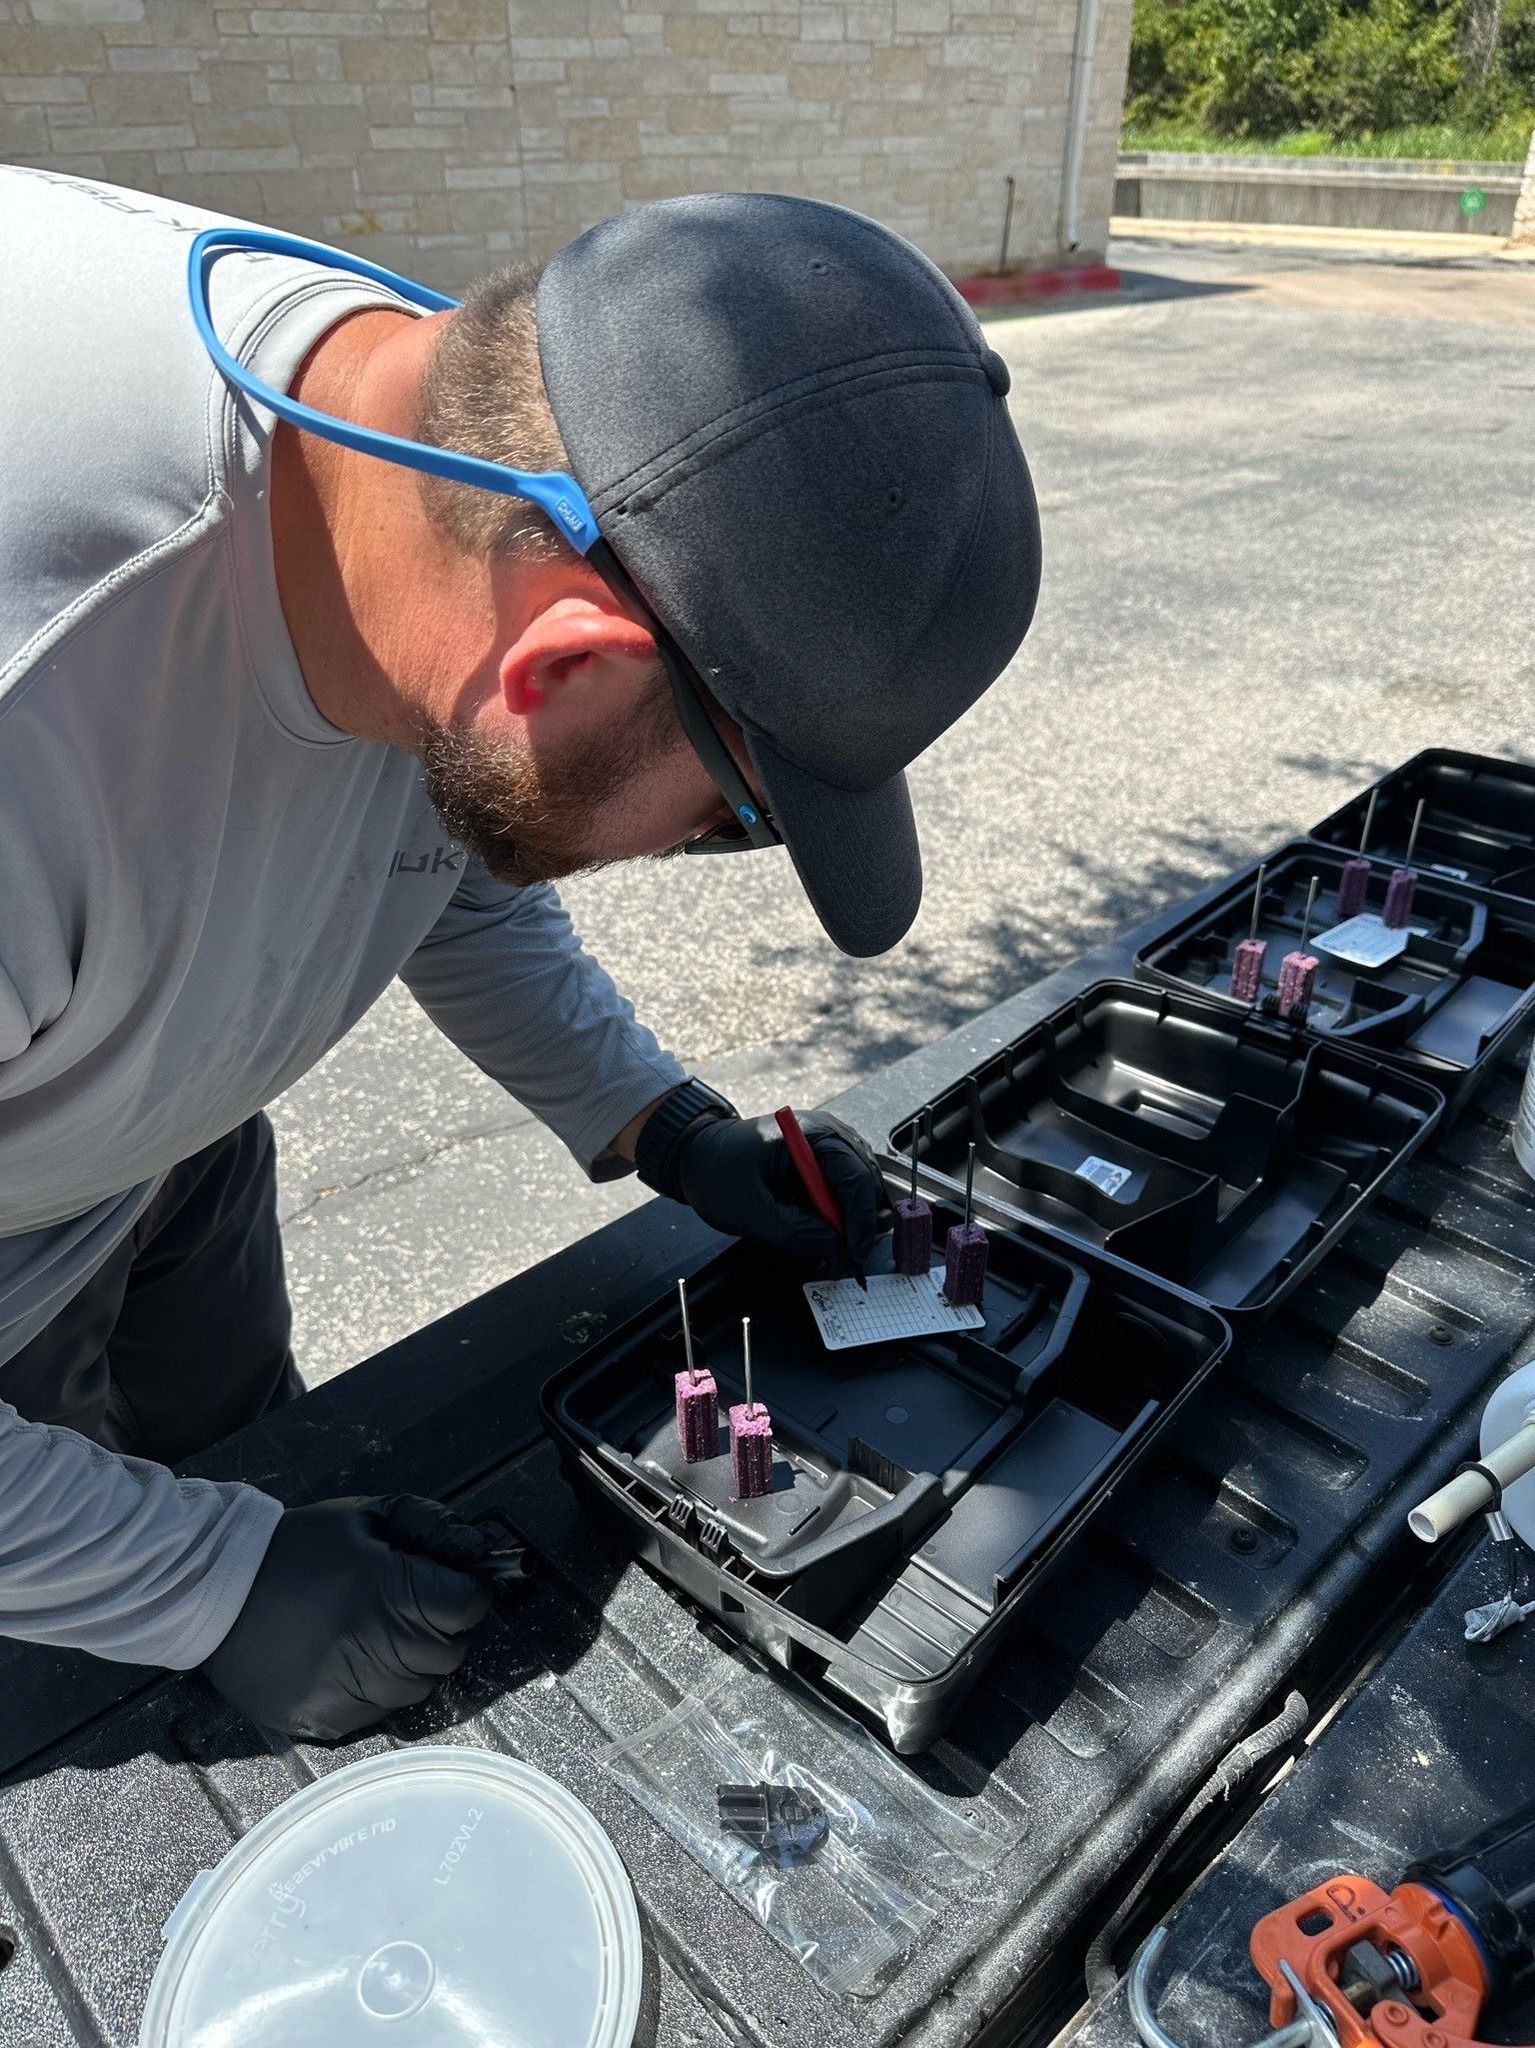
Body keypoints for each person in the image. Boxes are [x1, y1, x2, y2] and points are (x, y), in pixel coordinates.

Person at [0, 166, 1041, 1741]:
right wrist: (204, 1580)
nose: (704, 853)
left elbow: (447, 836)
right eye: (733, 816)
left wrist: (658, 1119)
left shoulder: (418, 453)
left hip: (149, 1140)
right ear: (571, 663)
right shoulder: (40, 702)